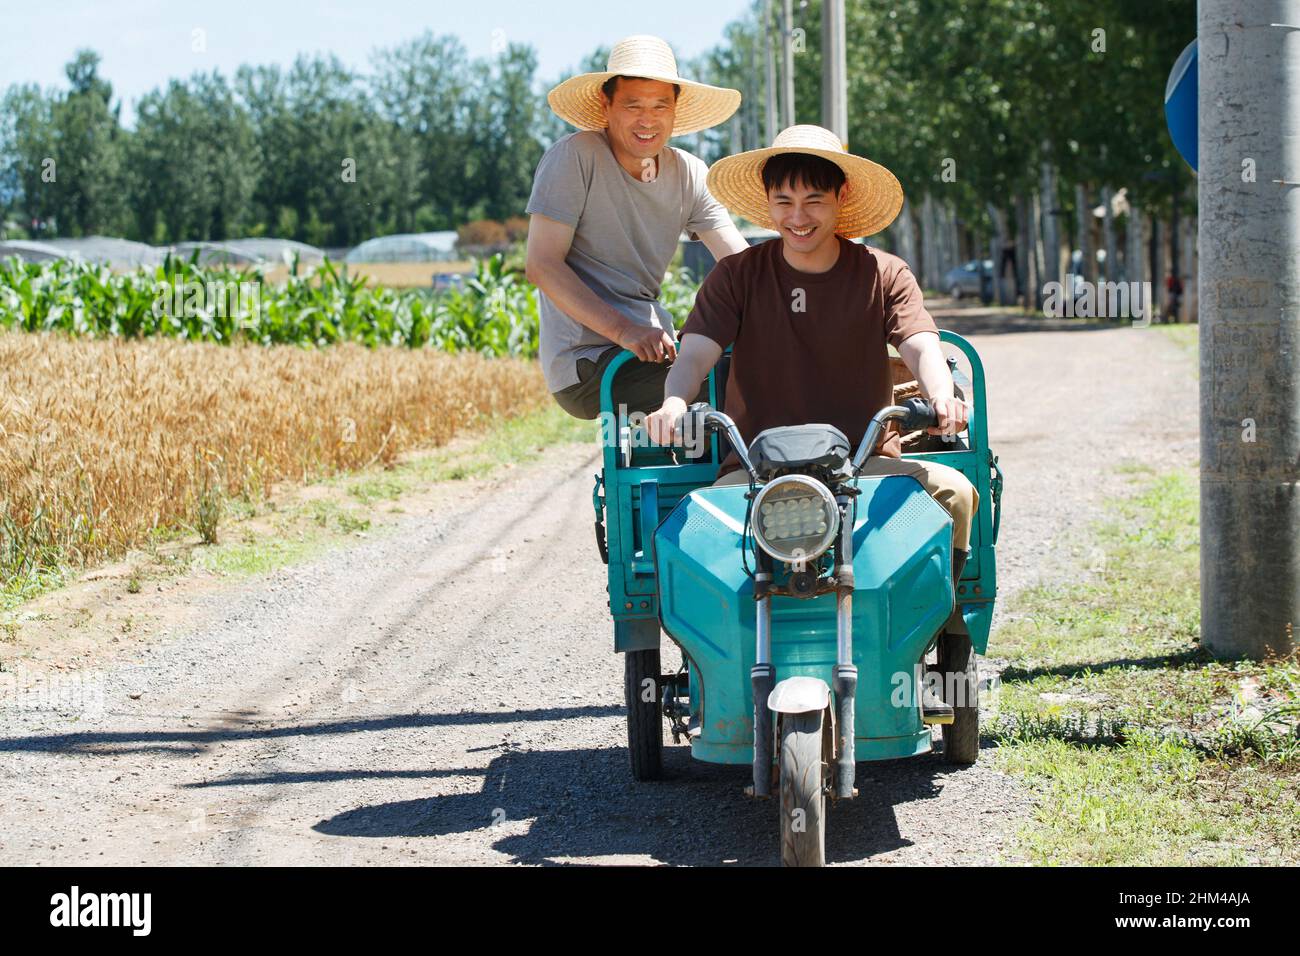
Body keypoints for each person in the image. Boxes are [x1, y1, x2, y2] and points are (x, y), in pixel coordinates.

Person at [645, 125, 979, 722]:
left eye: (814, 201)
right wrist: (674, 401)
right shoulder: (738, 276)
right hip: (753, 468)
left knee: (955, 492)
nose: (798, 217)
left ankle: (926, 633)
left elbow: (924, 345)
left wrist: (942, 392)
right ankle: (712, 671)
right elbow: (695, 353)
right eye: (784, 202)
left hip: (864, 462)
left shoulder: (882, 273)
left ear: (841, 201)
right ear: (767, 204)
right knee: (688, 538)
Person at [524, 35, 750, 425]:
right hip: (591, 363)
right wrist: (625, 331)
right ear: (606, 105)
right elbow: (542, 265)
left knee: (769, 362)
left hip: (656, 353)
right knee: (737, 379)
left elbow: (743, 266)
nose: (648, 120)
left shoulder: (689, 173)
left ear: (675, 110)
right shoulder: (575, 158)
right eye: (633, 105)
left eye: (660, 106)